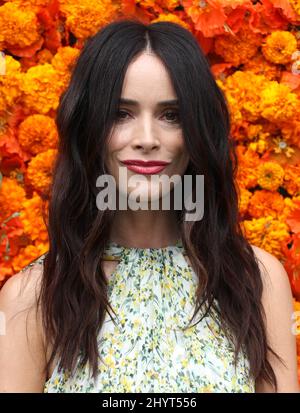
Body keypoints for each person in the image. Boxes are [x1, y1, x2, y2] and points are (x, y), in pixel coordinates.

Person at [0, 18, 299, 393]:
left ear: (198, 132)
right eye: (120, 114)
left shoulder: (256, 280)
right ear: (88, 126)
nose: (146, 139)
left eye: (170, 115)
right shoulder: (33, 297)